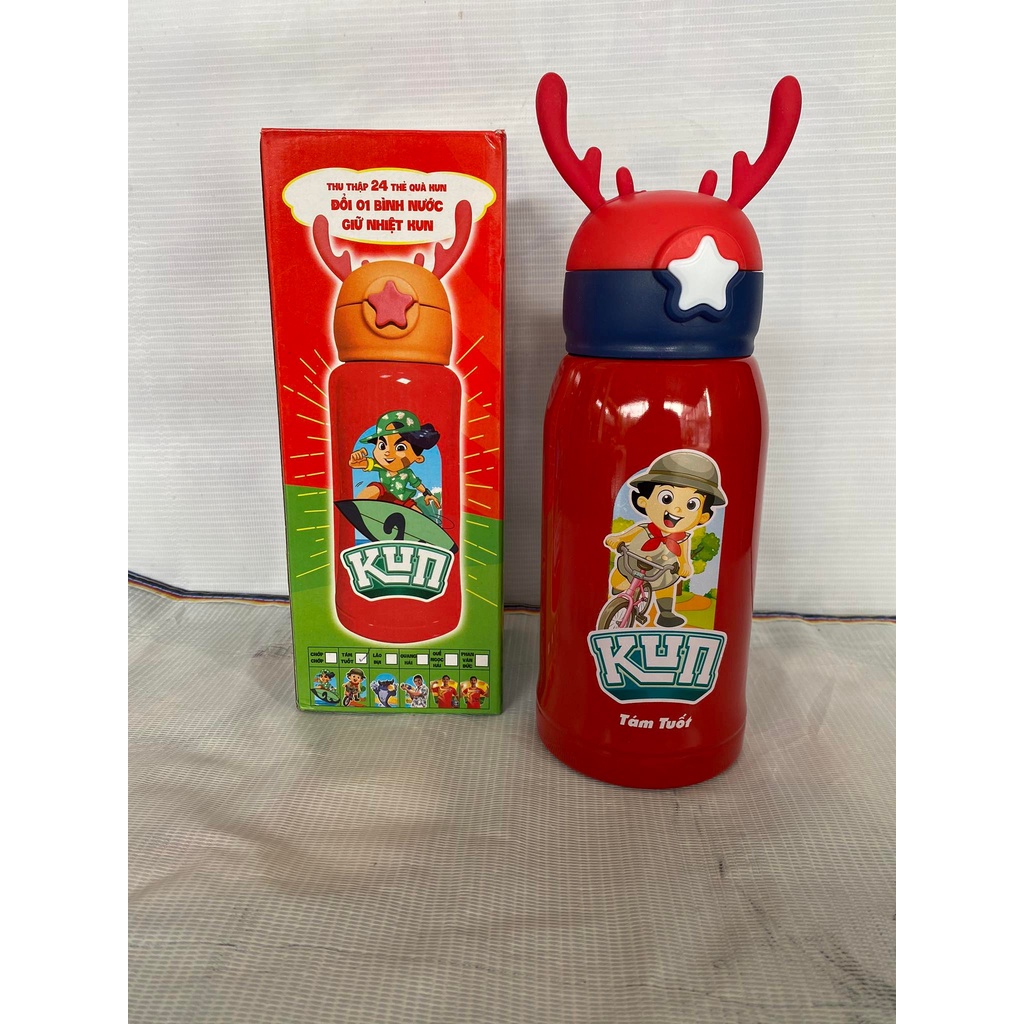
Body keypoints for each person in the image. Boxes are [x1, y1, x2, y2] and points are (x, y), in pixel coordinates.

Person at [604, 450, 727, 627]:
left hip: (662, 570)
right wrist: (617, 539)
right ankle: (618, 600)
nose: (677, 510)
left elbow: (683, 558)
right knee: (620, 577)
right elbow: (624, 536)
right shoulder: (644, 529)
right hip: (633, 562)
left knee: (666, 588)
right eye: (666, 498)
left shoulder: (681, 539)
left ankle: (666, 614)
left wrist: (684, 565)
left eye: (691, 504)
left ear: (703, 517)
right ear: (643, 501)